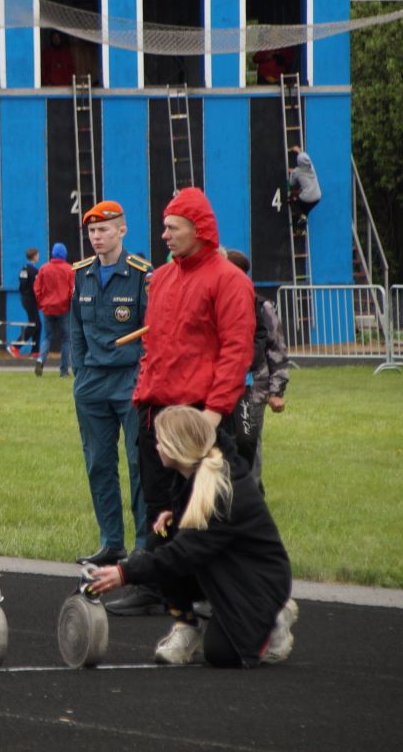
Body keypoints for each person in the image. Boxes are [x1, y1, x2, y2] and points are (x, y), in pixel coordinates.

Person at [111, 187, 255, 616]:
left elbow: (236, 350)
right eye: (164, 227)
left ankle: (214, 591)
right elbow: (156, 345)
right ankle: (159, 587)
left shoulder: (229, 279)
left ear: (199, 229)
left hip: (198, 414)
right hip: (155, 410)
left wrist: (214, 412)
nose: (165, 235)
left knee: (202, 510)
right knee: (158, 505)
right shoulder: (163, 278)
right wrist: (143, 397)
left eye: (172, 227)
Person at [87, 405, 296, 667]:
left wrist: (124, 572)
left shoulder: (223, 492)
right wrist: (176, 518)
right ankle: (188, 624)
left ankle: (274, 617)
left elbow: (182, 554)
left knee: (223, 655)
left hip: (257, 579)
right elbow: (187, 541)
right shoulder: (192, 474)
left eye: (162, 442)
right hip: (230, 566)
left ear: (178, 448)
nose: (157, 447)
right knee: (160, 537)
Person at [68, 201, 151, 567]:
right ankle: (111, 542)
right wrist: (81, 371)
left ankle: (144, 545)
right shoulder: (81, 274)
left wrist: (145, 376)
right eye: (91, 231)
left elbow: (153, 331)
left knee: (139, 464)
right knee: (98, 463)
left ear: (122, 231)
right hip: (92, 383)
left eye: (103, 230)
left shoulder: (141, 274)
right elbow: (75, 327)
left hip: (129, 381)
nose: (96, 237)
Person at [224, 250, 289, 486]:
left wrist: (277, 391)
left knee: (249, 441)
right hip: (223, 386)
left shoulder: (261, 305)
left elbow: (276, 348)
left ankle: (252, 493)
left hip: (254, 388)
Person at [32, 242, 75, 377]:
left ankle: (41, 359)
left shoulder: (44, 269)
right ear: (64, 255)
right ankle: (63, 370)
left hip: (47, 308)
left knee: (47, 337)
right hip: (64, 308)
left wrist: (41, 304)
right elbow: (72, 290)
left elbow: (37, 289)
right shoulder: (70, 269)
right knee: (66, 339)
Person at [8, 248, 42, 360]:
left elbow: (22, 285)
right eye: (38, 255)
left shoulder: (24, 269)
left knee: (37, 324)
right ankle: (15, 346)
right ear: (34, 256)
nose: (38, 257)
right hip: (31, 300)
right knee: (34, 325)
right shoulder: (34, 271)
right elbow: (36, 288)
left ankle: (35, 351)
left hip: (25, 299)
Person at [286, 145, 321, 234]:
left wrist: (291, 173)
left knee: (291, 200)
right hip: (317, 197)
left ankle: (301, 217)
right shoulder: (311, 167)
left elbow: (291, 184)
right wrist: (299, 150)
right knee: (306, 210)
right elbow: (304, 159)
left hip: (306, 197)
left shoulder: (296, 172)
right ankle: (301, 229)